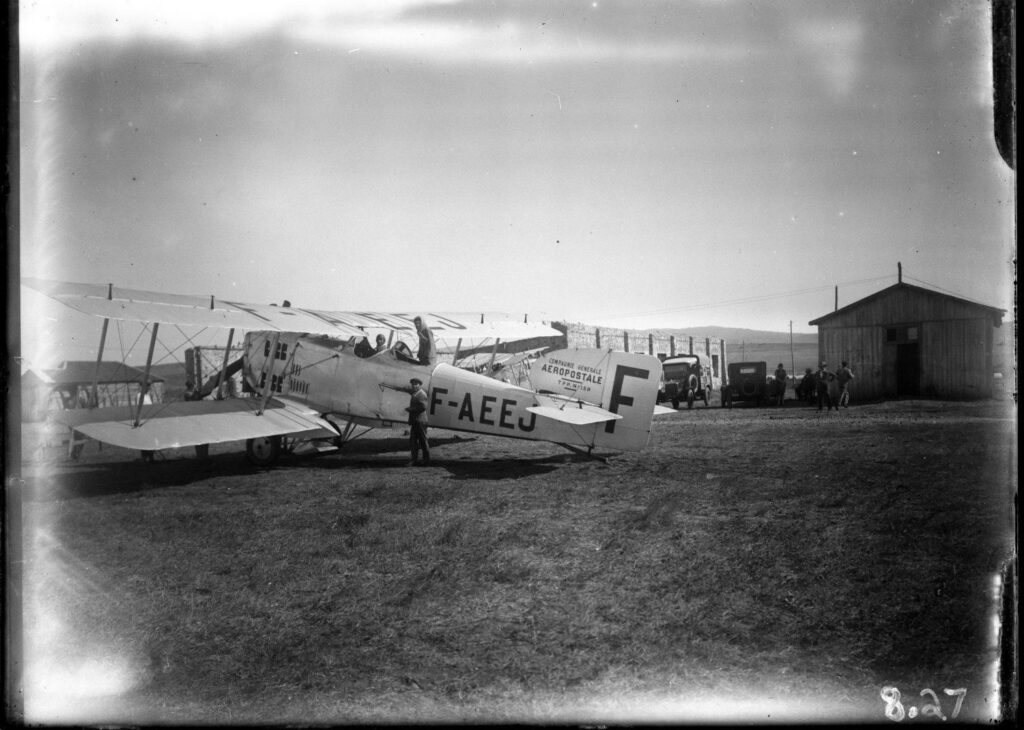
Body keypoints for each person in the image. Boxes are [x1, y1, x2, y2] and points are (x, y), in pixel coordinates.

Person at [404, 377, 430, 465]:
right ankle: (414, 460)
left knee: (423, 441)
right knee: (413, 441)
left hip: (420, 421)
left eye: (416, 384)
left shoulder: (421, 394)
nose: (414, 386)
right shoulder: (416, 393)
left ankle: (426, 460)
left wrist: (411, 409)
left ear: (420, 385)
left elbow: (423, 407)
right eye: (413, 384)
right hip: (416, 421)